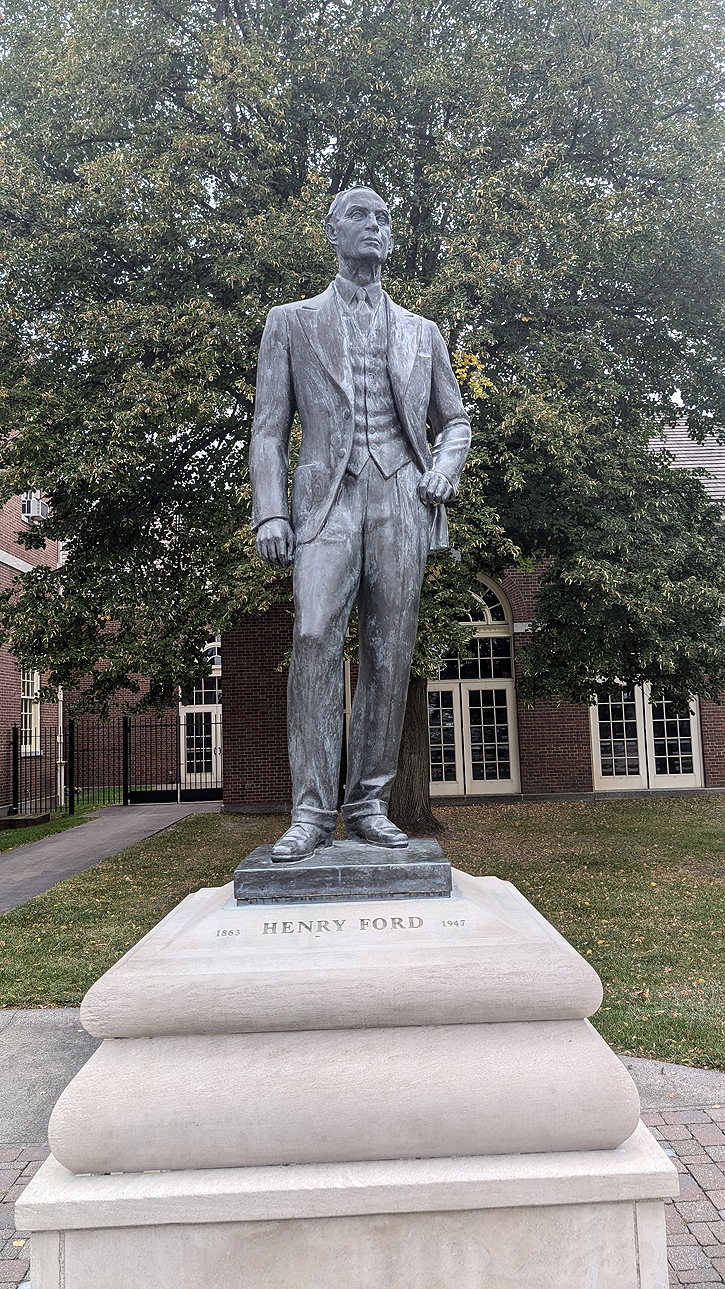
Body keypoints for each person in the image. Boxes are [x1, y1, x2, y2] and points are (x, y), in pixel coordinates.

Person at [250, 186, 471, 860]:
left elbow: (455, 421)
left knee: (389, 652)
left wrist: (444, 468)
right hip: (327, 500)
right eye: (359, 215)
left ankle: (369, 803)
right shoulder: (290, 321)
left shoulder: (422, 332)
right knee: (314, 635)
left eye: (383, 218)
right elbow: (268, 431)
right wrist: (270, 511)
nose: (374, 225)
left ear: (391, 238)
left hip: (401, 497)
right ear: (332, 232)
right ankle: (311, 813)